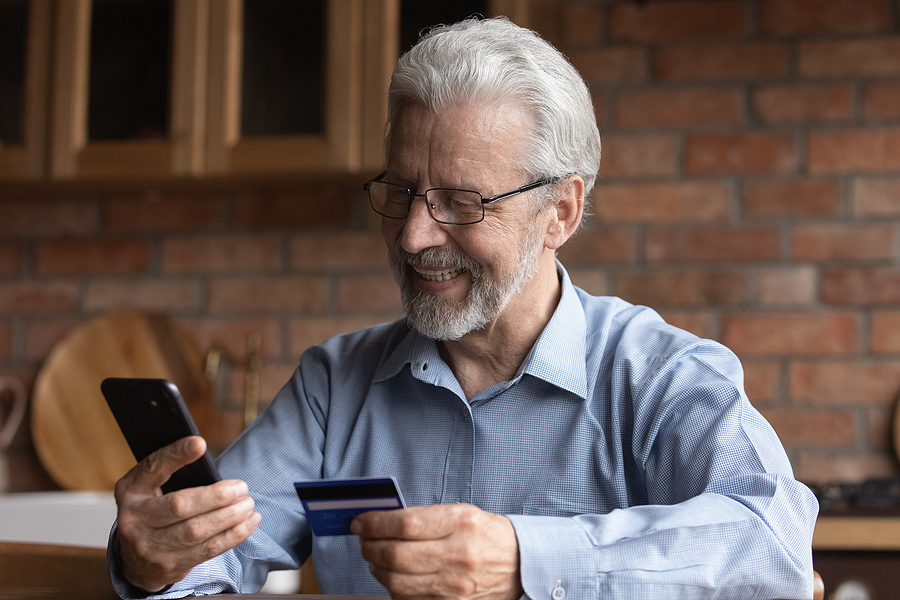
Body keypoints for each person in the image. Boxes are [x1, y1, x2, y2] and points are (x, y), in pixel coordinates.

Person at [109, 17, 818, 600]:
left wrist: (522, 560)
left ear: (560, 212)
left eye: (461, 202)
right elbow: (208, 564)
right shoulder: (334, 385)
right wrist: (151, 562)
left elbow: (774, 548)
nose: (416, 236)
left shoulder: (659, 376)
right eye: (402, 192)